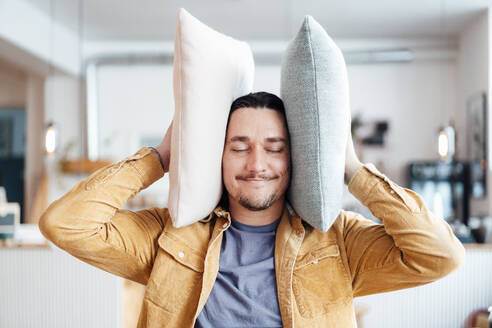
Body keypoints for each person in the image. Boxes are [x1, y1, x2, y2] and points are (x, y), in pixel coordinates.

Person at [39, 92, 465, 328]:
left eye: (274, 149)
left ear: (293, 159)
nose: (257, 165)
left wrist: (352, 169)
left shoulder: (339, 239)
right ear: (217, 157)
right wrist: (160, 157)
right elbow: (64, 224)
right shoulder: (169, 234)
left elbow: (441, 255)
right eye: (239, 148)